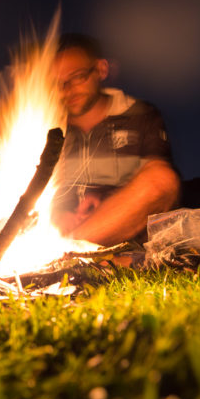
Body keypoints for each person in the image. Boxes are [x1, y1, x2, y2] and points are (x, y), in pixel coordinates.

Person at [49, 33, 180, 246]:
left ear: (101, 69)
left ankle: (69, 250)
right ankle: (68, 249)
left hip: (125, 235)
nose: (68, 90)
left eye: (78, 76)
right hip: (63, 230)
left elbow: (159, 185)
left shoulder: (139, 115)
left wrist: (105, 208)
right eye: (59, 83)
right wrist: (59, 214)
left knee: (163, 178)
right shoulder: (52, 129)